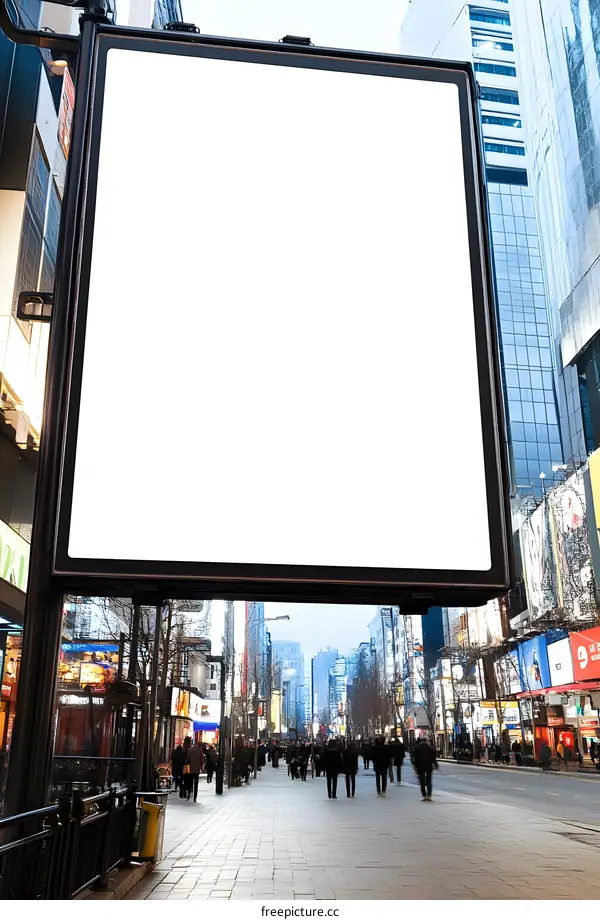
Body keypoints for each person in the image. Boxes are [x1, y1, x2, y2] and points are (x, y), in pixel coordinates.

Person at [412, 736, 438, 801]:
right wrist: (435, 764)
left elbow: (414, 759)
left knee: (422, 782)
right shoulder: (430, 748)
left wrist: (415, 766)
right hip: (429, 766)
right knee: (429, 781)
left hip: (420, 767)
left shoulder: (417, 748)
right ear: (426, 741)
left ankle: (424, 795)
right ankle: (429, 795)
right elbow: (433, 757)